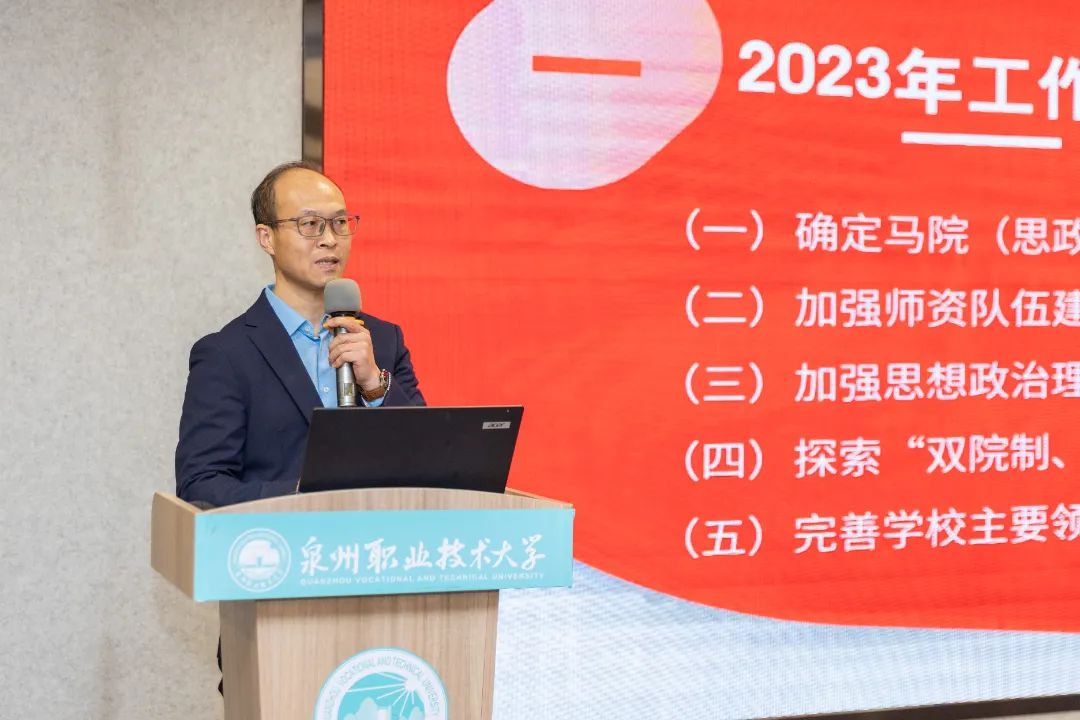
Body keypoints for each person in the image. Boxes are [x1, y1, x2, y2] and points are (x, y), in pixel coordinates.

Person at [175, 161, 425, 509]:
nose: (329, 240)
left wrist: (374, 385)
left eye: (340, 223)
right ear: (267, 238)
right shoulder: (226, 355)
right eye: (310, 225)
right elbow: (201, 485)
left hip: (378, 539)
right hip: (285, 539)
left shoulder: (383, 340)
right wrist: (306, 497)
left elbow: (428, 463)